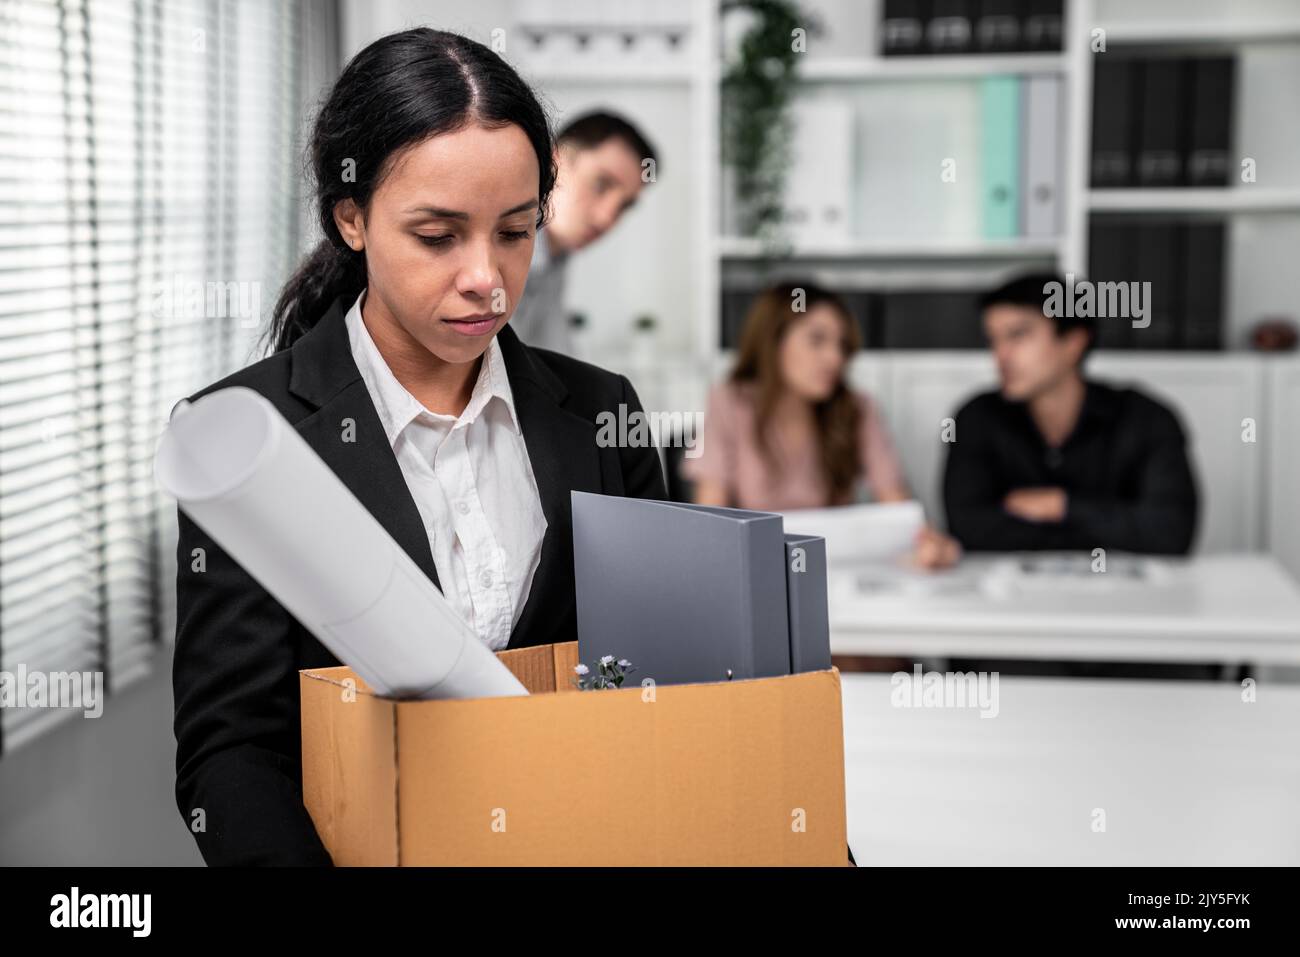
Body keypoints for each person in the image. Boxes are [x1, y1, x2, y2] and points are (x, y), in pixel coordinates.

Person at [170, 29, 666, 866]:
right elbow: (232, 754)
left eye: (516, 230)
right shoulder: (246, 438)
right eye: (439, 236)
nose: (488, 277)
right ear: (352, 217)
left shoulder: (600, 411)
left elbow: (661, 676)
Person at [684, 281, 960, 570]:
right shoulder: (729, 404)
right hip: (755, 570)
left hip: (833, 571)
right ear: (772, 341)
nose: (835, 358)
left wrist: (929, 542)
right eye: (817, 340)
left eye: (842, 346)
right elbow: (710, 529)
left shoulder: (856, 407)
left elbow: (896, 505)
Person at [943, 272, 1198, 555]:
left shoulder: (1147, 419)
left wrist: (1060, 506)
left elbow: (1171, 533)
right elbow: (968, 530)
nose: (1001, 355)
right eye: (994, 340)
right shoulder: (976, 419)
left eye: (1018, 335)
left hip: (1124, 595)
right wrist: (1107, 528)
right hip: (1011, 594)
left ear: (1073, 342)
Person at [508, 111, 658, 354]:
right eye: (601, 184)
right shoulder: (500, 248)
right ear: (554, 159)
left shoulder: (554, 260)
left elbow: (554, 361)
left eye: (624, 206)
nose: (607, 218)